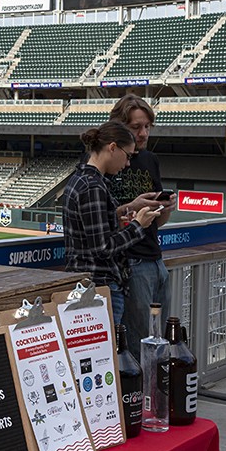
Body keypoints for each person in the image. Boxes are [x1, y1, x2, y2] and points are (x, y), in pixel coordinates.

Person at [62, 121, 160, 324]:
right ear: (113, 148)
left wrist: (121, 215)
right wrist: (138, 226)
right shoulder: (92, 186)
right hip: (99, 287)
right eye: (127, 156)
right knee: (106, 354)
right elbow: (102, 248)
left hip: (89, 285)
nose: (127, 164)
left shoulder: (82, 179)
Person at [107, 94, 176, 352]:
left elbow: (159, 220)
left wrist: (166, 208)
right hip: (129, 263)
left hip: (156, 259)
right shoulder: (105, 161)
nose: (144, 133)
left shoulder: (150, 159)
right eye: (136, 127)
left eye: (147, 126)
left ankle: (157, 390)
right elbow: (100, 218)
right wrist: (129, 208)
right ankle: (141, 392)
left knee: (161, 339)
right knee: (139, 342)